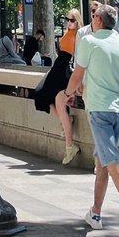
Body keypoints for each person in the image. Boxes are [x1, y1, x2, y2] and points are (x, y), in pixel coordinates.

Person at [62, 3, 119, 237]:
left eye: (94, 16)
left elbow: (77, 74)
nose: (91, 19)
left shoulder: (89, 42)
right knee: (102, 162)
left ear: (99, 21)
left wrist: (68, 92)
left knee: (111, 163)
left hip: (99, 110)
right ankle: (96, 213)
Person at [36, 9, 83, 165]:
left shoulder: (80, 36)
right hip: (58, 67)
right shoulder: (70, 34)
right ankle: (66, 123)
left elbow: (78, 58)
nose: (69, 22)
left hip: (64, 70)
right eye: (67, 19)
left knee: (53, 100)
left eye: (72, 20)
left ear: (77, 21)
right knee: (41, 96)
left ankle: (69, 146)